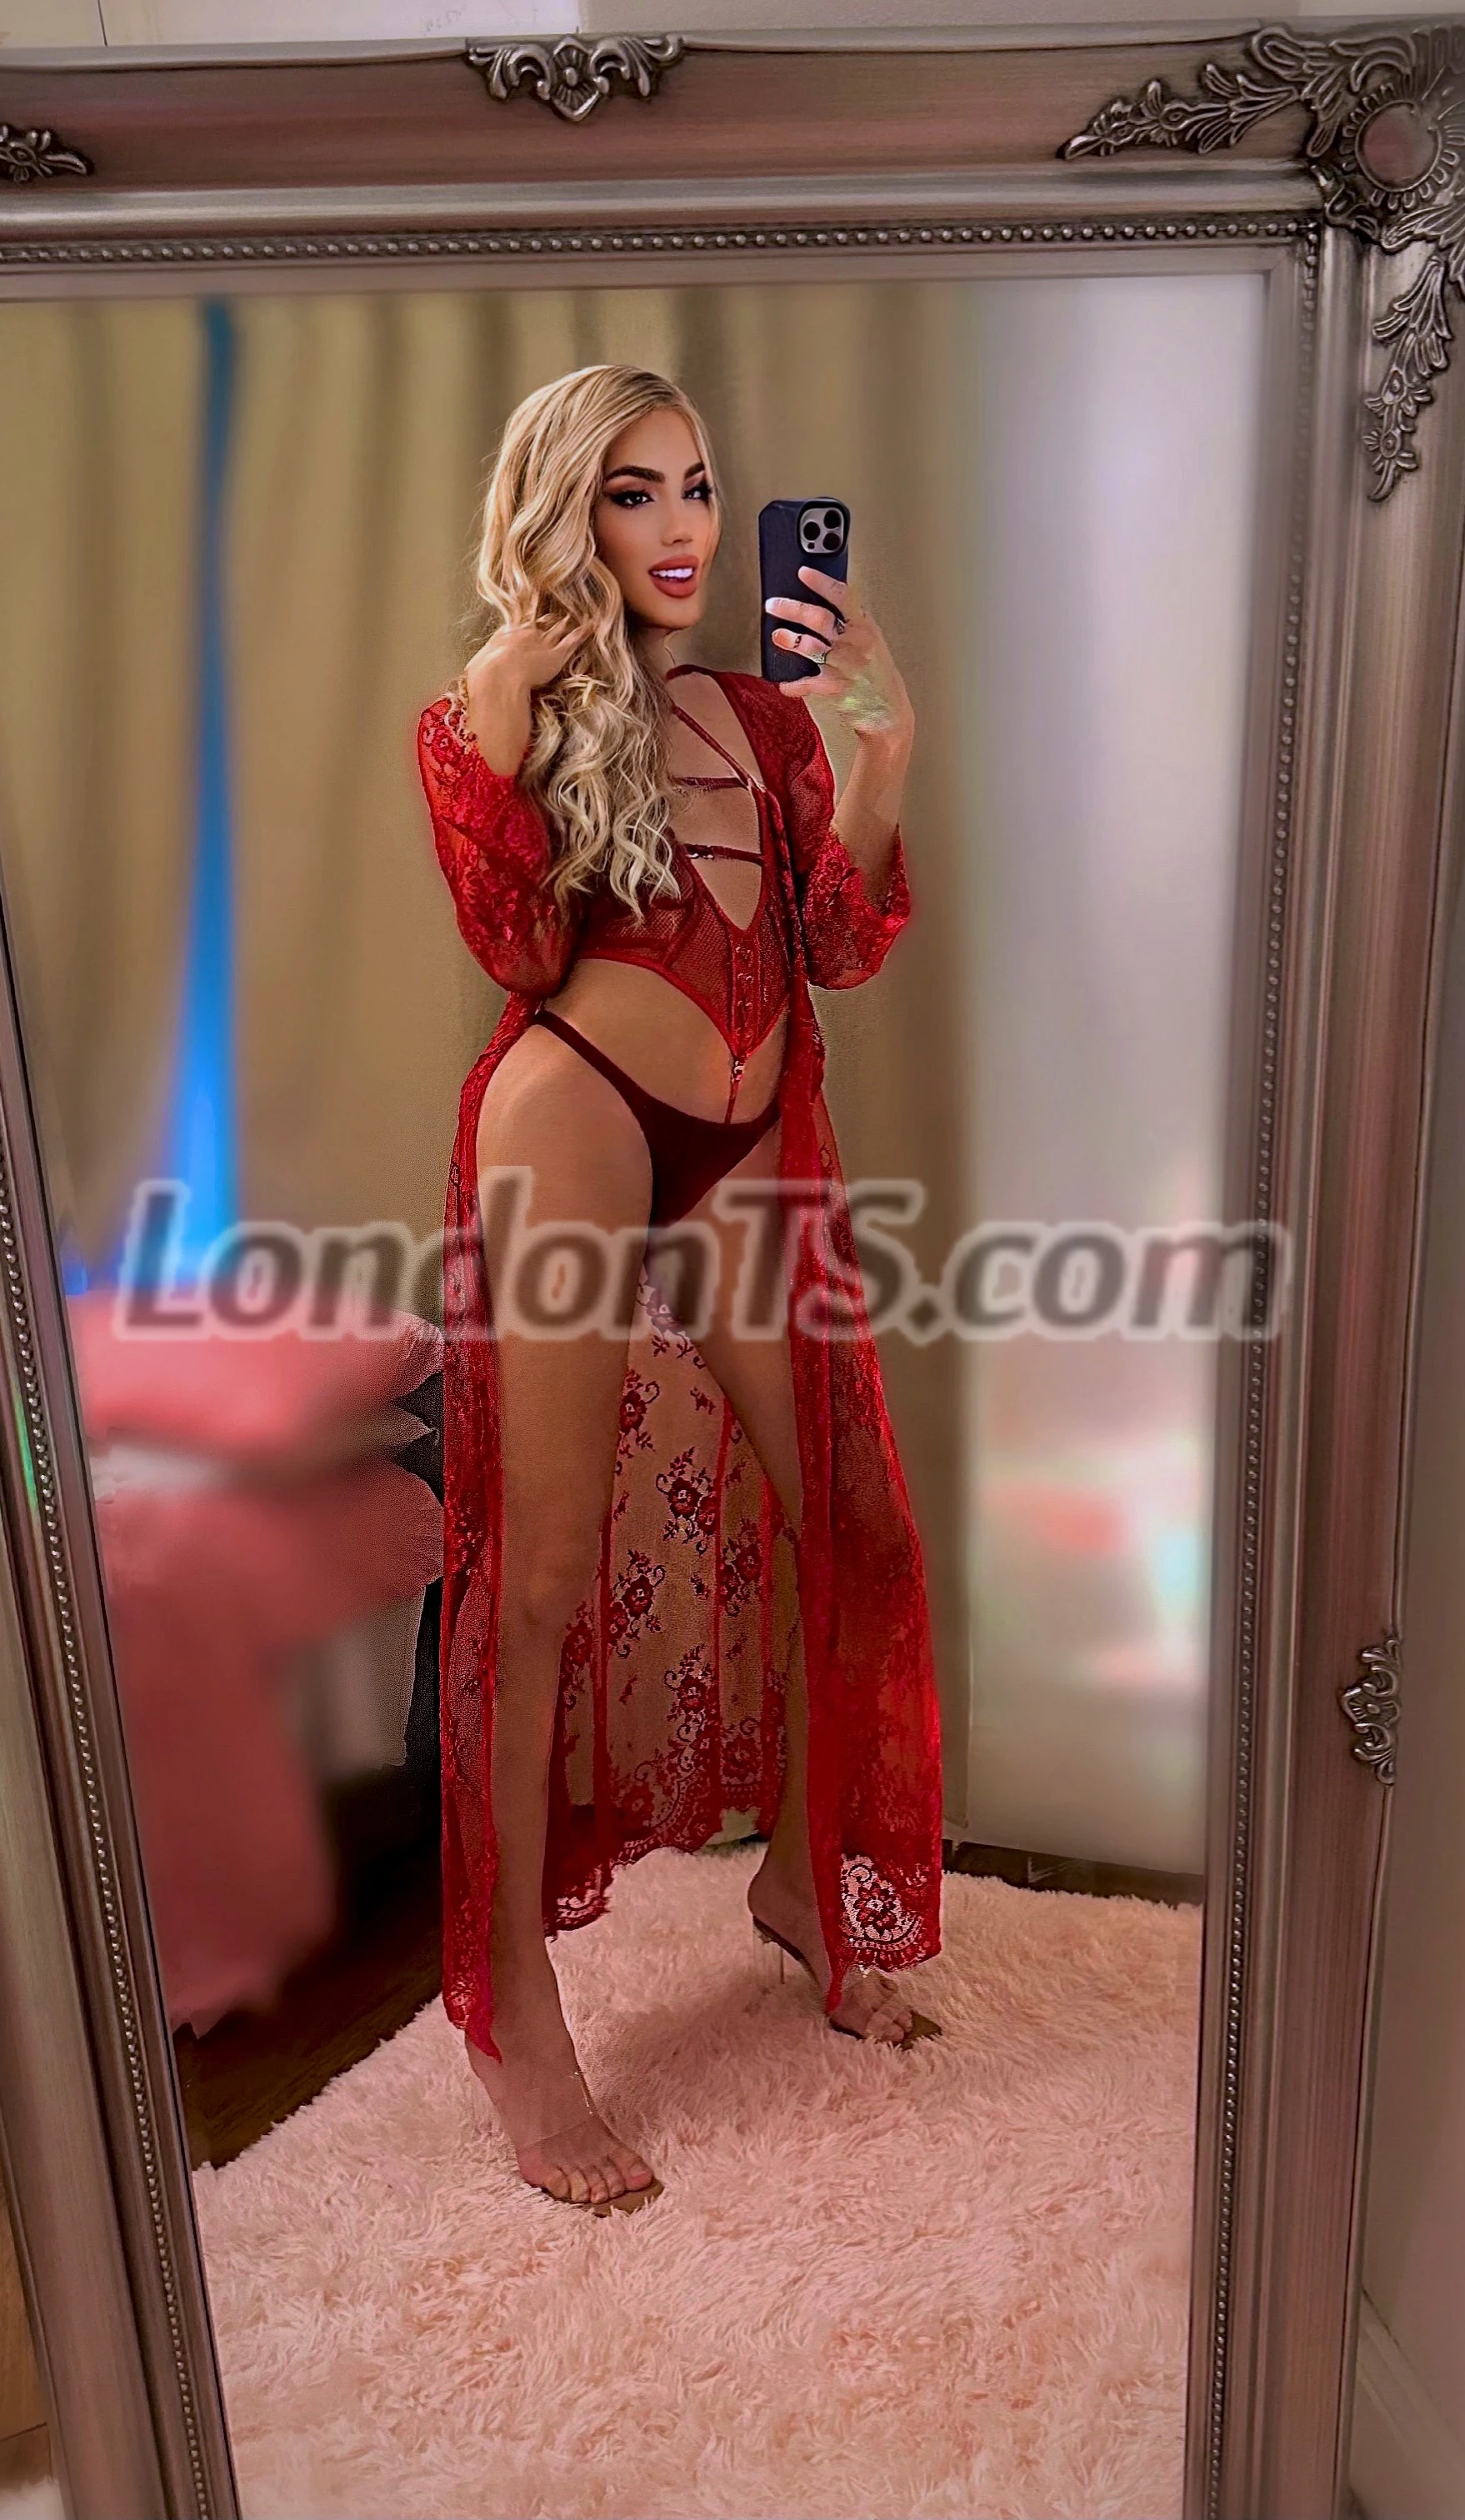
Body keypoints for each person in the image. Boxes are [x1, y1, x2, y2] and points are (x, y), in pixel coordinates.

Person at [413, 363, 942, 2215]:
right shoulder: (492, 710)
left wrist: (878, 750)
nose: (684, 526)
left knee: (852, 1516)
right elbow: (514, 944)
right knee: (539, 1575)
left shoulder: (761, 715)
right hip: (575, 1117)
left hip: (746, 1133)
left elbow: (841, 944)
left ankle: (804, 1881)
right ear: (569, 515)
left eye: (698, 486)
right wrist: (503, 726)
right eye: (634, 493)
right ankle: (512, 2010)